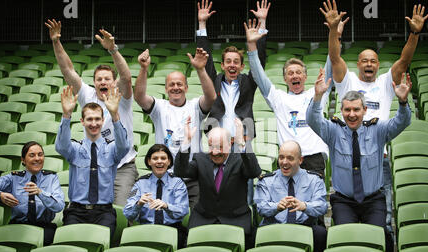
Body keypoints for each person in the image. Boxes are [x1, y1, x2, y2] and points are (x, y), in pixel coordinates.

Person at [320, 0, 428, 252]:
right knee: (345, 229)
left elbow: (404, 60)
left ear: (378, 65)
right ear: (358, 64)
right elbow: (334, 59)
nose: (368, 64)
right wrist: (334, 31)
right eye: (364, 60)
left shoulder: (385, 82)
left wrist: (414, 34)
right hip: (346, 160)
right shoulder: (348, 82)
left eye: (373, 61)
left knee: (383, 226)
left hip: (377, 162)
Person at [306, 68, 412, 252]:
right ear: (342, 111)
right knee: (347, 238)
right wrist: (317, 97)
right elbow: (313, 120)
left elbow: (402, 122)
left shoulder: (378, 130)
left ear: (364, 110)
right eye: (347, 110)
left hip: (374, 199)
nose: (351, 114)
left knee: (380, 235)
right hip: (344, 200)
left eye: (356, 110)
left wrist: (402, 102)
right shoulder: (333, 131)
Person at [45, 19, 138, 207]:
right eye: (99, 79)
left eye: (107, 79)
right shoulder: (87, 94)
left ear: (113, 82)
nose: (103, 82)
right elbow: (67, 70)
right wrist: (56, 41)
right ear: (94, 82)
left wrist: (113, 50)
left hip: (122, 167)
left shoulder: (121, 96)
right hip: (95, 164)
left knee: (120, 211)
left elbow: (126, 77)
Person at [245, 18, 332, 178]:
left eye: (298, 72)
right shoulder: (279, 98)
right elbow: (258, 75)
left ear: (305, 76)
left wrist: (334, 34)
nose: (294, 76)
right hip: (288, 159)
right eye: (290, 73)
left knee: (313, 203)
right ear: (285, 79)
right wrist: (251, 46)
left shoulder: (318, 92)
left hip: (314, 157)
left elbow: (332, 63)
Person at [134, 47, 216, 209]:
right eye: (171, 84)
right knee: (167, 216)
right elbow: (139, 97)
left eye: (180, 84)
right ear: (166, 89)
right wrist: (144, 69)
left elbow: (211, 97)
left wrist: (200, 69)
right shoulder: (159, 107)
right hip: (166, 177)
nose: (175, 87)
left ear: (186, 87)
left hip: (192, 177)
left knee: (194, 218)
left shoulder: (195, 106)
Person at [174, 117, 262, 249]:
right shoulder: (200, 159)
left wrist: (242, 144)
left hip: (235, 219)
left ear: (230, 143)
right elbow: (180, 171)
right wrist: (186, 142)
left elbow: (254, 172)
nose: (214, 152)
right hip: (204, 218)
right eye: (211, 146)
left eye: (219, 147)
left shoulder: (240, 160)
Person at [55, 86, 130, 238]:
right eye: (89, 119)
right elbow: (61, 146)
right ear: (82, 121)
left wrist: (115, 114)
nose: (94, 123)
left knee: (100, 245)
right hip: (76, 212)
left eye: (97, 119)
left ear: (103, 121)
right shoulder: (75, 149)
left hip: (104, 213)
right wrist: (66, 115)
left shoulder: (112, 149)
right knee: (71, 246)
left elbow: (124, 146)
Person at [196, 0, 270, 139]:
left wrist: (262, 22)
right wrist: (202, 24)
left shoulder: (248, 82)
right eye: (228, 61)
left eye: (236, 62)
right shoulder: (214, 81)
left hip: (242, 141)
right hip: (217, 143)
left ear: (242, 66)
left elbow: (259, 60)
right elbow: (205, 59)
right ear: (222, 66)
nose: (232, 65)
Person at [254, 140, 328, 252]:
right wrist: (276, 207)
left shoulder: (314, 179)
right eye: (281, 157)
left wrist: (305, 206)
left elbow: (322, 206)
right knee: (255, 234)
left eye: (290, 158)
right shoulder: (267, 180)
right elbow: (260, 207)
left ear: (300, 160)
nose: (284, 162)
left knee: (320, 233)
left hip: (303, 227)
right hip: (275, 226)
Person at [0, 141, 65, 245]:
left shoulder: (51, 178)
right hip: (17, 227)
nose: (37, 158)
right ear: (23, 160)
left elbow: (59, 206)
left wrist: (40, 193)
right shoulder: (13, 178)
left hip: (44, 228)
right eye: (32, 155)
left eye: (40, 155)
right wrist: (0, 195)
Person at [123, 144, 189, 249]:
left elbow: (183, 210)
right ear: (149, 161)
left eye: (163, 158)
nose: (159, 161)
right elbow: (127, 213)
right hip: (146, 230)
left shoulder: (177, 183)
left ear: (169, 161)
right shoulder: (139, 183)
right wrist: (138, 204)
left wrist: (166, 206)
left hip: (172, 230)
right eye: (155, 158)